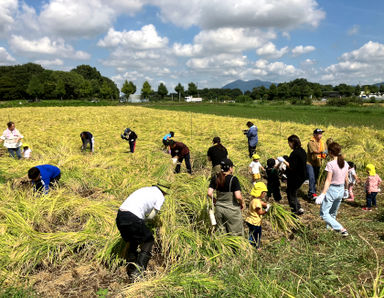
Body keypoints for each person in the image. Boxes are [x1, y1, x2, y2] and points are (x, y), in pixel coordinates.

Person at [116, 181, 170, 279]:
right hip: (132, 217)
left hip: (120, 216)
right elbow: (151, 216)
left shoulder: (145, 189)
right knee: (149, 240)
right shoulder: (160, 196)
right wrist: (146, 221)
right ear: (164, 192)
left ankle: (130, 266)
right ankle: (139, 272)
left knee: (134, 240)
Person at [315, 142, 349, 236]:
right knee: (333, 212)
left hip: (332, 190)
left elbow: (328, 180)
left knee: (324, 214)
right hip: (341, 189)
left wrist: (322, 194)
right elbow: (346, 179)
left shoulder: (331, 164)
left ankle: (341, 228)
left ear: (330, 152)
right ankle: (329, 230)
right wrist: (346, 190)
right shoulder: (345, 163)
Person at [207, 158, 245, 236]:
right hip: (232, 210)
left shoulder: (215, 178)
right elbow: (238, 196)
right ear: (230, 168)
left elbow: (209, 193)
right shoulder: (233, 179)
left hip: (219, 209)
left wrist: (215, 200)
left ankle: (223, 247)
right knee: (235, 233)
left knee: (221, 233)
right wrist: (242, 203)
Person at [279, 135, 307, 215]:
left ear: (293, 142)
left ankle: (295, 210)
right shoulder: (302, 151)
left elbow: (291, 166)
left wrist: (283, 161)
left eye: (289, 143)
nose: (289, 145)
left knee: (290, 193)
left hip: (295, 177)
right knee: (294, 192)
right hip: (302, 175)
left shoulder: (295, 153)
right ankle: (299, 207)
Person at [245, 182, 270, 249]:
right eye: (264, 193)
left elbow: (261, 203)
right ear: (260, 193)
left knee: (251, 233)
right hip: (255, 222)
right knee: (257, 235)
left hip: (250, 221)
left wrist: (266, 205)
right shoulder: (256, 202)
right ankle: (256, 247)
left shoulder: (255, 199)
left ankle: (250, 245)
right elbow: (260, 212)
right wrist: (266, 210)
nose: (264, 195)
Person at [306, 128, 327, 199]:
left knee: (315, 178)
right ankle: (312, 193)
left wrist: (326, 153)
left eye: (321, 134)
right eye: (318, 134)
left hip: (318, 163)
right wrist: (323, 152)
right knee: (311, 177)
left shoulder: (323, 143)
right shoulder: (311, 142)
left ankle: (311, 192)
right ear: (314, 135)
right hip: (310, 163)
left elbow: (325, 150)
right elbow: (314, 151)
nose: (320, 135)